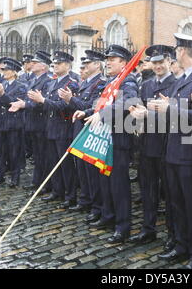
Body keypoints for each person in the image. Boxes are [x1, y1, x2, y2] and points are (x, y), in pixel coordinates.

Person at [149, 33, 192, 269]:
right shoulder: (182, 80)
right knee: (177, 204)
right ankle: (181, 246)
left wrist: (169, 107)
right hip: (174, 152)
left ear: (181, 51)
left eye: (176, 50)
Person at [75, 44, 139, 245]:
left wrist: (101, 114)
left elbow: (127, 103)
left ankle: (123, 227)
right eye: (107, 59)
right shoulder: (111, 82)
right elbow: (99, 105)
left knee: (119, 185)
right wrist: (86, 112)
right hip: (103, 140)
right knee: (105, 182)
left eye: (113, 59)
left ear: (123, 63)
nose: (108, 62)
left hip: (118, 140)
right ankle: (108, 215)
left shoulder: (127, 81)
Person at [129, 45, 177, 247]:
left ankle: (173, 235)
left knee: (171, 193)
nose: (157, 66)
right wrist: (137, 120)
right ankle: (148, 229)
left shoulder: (177, 84)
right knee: (148, 189)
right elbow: (139, 108)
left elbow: (178, 118)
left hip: (168, 144)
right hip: (148, 143)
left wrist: (148, 115)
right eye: (154, 62)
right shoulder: (147, 85)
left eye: (161, 62)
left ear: (170, 62)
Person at [28, 51, 79, 208]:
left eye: (59, 63)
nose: (55, 66)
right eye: (54, 64)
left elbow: (64, 106)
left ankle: (70, 195)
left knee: (66, 165)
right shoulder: (52, 83)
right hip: (50, 127)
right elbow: (46, 104)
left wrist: (43, 100)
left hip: (64, 128)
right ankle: (57, 191)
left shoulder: (71, 84)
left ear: (67, 66)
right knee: (53, 161)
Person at [59, 50, 106, 216]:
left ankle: (96, 206)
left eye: (88, 63)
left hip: (91, 130)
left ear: (97, 64)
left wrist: (70, 99)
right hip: (79, 129)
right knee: (82, 170)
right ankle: (85, 200)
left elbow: (91, 108)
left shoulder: (101, 84)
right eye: (84, 63)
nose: (84, 66)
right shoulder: (84, 83)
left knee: (91, 172)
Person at [8, 51, 53, 191]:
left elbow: (43, 103)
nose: (31, 64)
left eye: (35, 62)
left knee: (44, 155)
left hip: (42, 123)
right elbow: (28, 99)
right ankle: (37, 181)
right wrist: (23, 104)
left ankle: (45, 184)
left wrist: (25, 105)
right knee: (37, 155)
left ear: (44, 67)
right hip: (32, 122)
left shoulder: (48, 81)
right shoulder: (33, 80)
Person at [0, 58, 27, 188]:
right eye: (3, 69)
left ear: (14, 72)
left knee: (14, 151)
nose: (4, 72)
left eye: (6, 70)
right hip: (1, 122)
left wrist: (2, 95)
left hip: (13, 123)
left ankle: (14, 177)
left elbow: (14, 103)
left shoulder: (22, 86)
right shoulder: (2, 84)